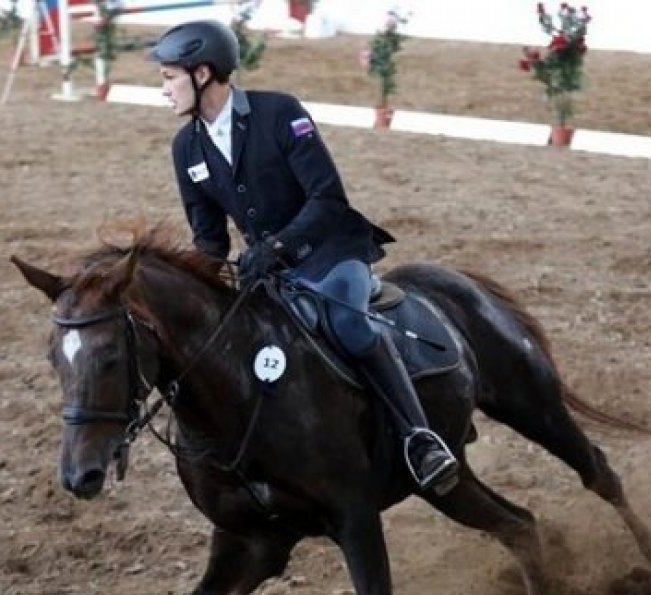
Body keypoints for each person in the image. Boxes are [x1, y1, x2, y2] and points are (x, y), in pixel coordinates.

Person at [149, 20, 458, 494]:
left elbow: (327, 196)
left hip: (331, 252)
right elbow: (209, 241)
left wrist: (275, 246)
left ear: (203, 72)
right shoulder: (185, 147)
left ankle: (421, 439)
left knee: (350, 325)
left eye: (170, 76)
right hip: (273, 274)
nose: (164, 89)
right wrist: (191, 294)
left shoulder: (280, 112)